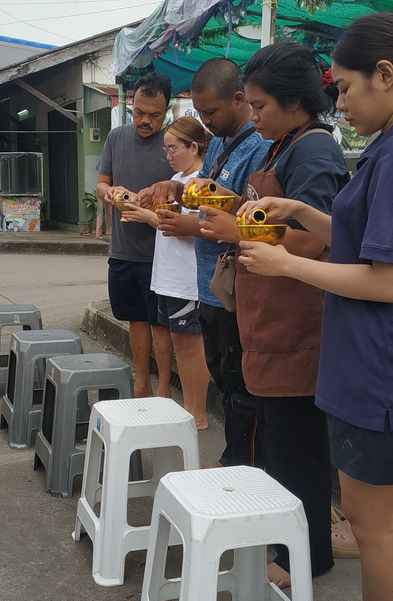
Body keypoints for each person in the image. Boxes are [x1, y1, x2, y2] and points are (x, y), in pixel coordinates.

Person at [235, 14, 393, 601]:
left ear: (384, 75)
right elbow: (361, 240)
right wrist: (300, 212)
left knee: (375, 527)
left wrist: (288, 265)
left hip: (382, 370)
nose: (338, 103)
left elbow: (389, 281)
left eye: (343, 88)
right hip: (370, 364)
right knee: (370, 523)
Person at [201, 42, 350, 588]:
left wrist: (237, 229)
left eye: (260, 105)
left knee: (297, 448)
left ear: (294, 103)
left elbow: (312, 239)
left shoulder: (313, 150)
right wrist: (220, 201)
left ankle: (304, 558)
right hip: (270, 318)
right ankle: (290, 544)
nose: (254, 114)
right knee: (279, 441)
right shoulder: (282, 144)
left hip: (298, 323)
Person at [140, 58, 271, 467]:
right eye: (200, 112)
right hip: (209, 284)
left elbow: (249, 219)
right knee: (226, 378)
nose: (206, 121)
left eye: (211, 111)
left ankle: (242, 465)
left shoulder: (258, 147)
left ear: (240, 100)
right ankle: (234, 457)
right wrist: (175, 189)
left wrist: (188, 225)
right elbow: (206, 195)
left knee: (241, 383)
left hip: (236, 285)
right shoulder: (218, 143)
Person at [122, 116, 212, 429]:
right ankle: (190, 410)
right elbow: (168, 226)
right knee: (180, 344)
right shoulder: (176, 179)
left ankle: (197, 414)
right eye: (166, 150)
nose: (169, 156)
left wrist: (152, 217)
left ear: (194, 147)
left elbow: (197, 232)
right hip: (169, 276)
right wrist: (145, 209)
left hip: (187, 278)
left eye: (174, 148)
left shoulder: (200, 182)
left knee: (191, 346)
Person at [96, 71, 176, 398]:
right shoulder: (116, 137)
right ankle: (141, 382)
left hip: (163, 253)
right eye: (138, 112)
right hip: (123, 249)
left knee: (162, 324)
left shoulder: (173, 143)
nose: (145, 120)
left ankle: (164, 389)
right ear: (131, 104)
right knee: (136, 320)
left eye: (154, 115)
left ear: (167, 111)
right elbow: (101, 184)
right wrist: (110, 193)